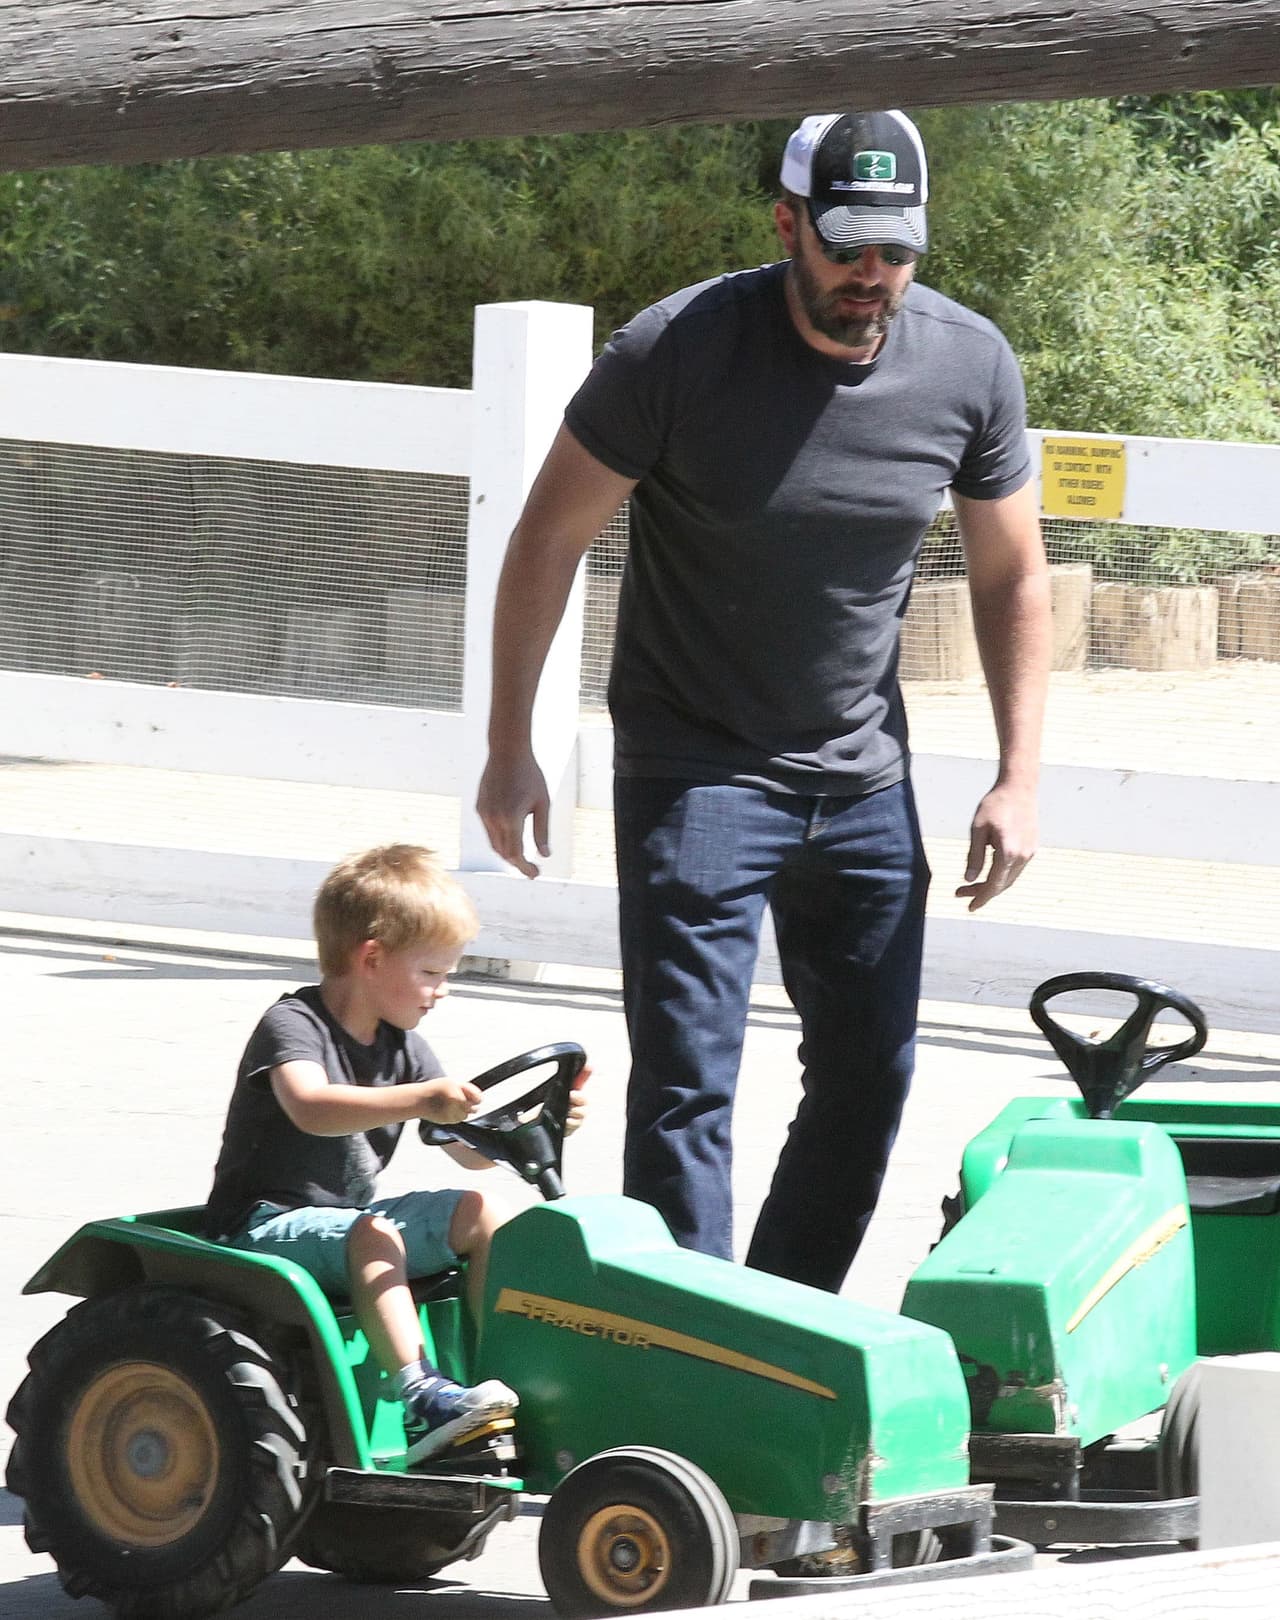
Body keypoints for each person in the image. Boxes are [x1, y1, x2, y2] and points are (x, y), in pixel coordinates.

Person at [477, 110, 1051, 1294]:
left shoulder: (965, 364)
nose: (869, 275)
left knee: (869, 1076)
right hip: (694, 771)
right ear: (787, 225)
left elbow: (1011, 576)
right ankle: (696, 1343)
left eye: (895, 251)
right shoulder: (675, 351)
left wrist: (1017, 775)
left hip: (862, 780)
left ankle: (785, 1320)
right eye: (845, 247)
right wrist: (509, 747)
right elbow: (545, 538)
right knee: (686, 1086)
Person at [204, 842, 588, 1463]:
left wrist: (541, 1126)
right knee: (375, 1232)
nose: (442, 991)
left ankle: (491, 1379)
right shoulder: (295, 1023)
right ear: (373, 958)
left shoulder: (403, 1047)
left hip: (347, 1226)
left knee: (483, 1213)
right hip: (262, 1226)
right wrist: (421, 1099)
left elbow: (467, 1150)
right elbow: (311, 1106)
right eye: (432, 973)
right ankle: (421, 1395)